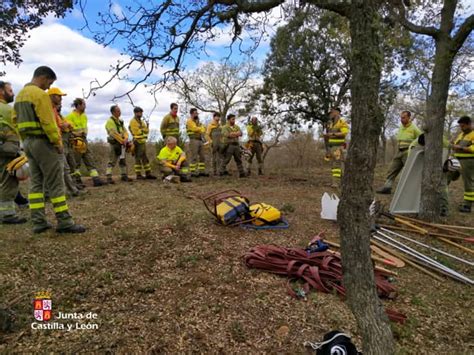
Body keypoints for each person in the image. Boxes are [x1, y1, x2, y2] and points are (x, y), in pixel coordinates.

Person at [13, 66, 85, 234]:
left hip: (28, 143)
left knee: (36, 183)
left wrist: (24, 141)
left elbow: (15, 120)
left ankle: (38, 221)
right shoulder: (40, 95)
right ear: (43, 77)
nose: (48, 87)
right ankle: (64, 222)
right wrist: (57, 142)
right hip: (44, 143)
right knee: (56, 183)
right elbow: (48, 122)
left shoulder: (20, 95)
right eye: (49, 83)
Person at [0, 80, 27, 224]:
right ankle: (8, 215)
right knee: (8, 183)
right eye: (9, 91)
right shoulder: (6, 109)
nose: (13, 93)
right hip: (7, 151)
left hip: (6, 149)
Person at [47, 87, 82, 197]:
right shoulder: (48, 110)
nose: (61, 99)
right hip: (54, 143)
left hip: (58, 142)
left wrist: (67, 126)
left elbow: (63, 125)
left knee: (64, 168)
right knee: (61, 169)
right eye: (59, 96)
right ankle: (63, 192)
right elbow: (60, 126)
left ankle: (71, 190)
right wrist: (58, 142)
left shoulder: (54, 111)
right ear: (52, 96)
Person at [377, 110, 421, 194]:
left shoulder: (414, 128)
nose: (401, 119)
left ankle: (409, 190)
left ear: (409, 117)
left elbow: (421, 139)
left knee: (408, 171)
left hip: (408, 152)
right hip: (399, 151)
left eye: (404, 118)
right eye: (401, 118)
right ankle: (387, 187)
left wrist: (413, 150)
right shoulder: (401, 127)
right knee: (392, 169)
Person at [65, 98, 105, 187]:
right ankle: (77, 182)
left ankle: (96, 180)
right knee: (76, 163)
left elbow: (85, 128)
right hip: (75, 142)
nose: (85, 106)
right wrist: (77, 133)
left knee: (89, 159)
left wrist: (84, 134)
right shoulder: (69, 116)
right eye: (84, 104)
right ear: (78, 105)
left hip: (84, 140)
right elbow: (68, 131)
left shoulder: (84, 116)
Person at [451, 116, 473, 213]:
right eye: (460, 126)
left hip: (468, 161)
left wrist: (460, 148)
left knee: (468, 183)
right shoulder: (461, 135)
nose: (461, 128)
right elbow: (455, 145)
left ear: (469, 124)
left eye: (463, 126)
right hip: (456, 160)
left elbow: (472, 149)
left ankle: (467, 205)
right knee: (446, 176)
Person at [323, 107, 349, 187]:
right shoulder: (330, 124)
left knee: (337, 165)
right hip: (332, 147)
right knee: (334, 165)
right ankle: (340, 182)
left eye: (332, 112)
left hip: (339, 147)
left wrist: (333, 134)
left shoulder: (342, 122)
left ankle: (336, 183)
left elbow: (344, 133)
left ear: (337, 113)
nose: (330, 114)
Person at [128, 107, 156, 180]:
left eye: (141, 112)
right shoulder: (133, 121)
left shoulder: (142, 122)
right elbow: (137, 132)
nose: (140, 114)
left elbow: (146, 131)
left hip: (143, 142)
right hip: (137, 142)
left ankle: (148, 173)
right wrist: (143, 129)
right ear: (135, 113)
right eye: (139, 112)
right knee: (138, 158)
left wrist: (146, 127)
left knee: (145, 158)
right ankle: (138, 175)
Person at [105, 105, 130, 183]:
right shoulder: (110, 121)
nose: (120, 112)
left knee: (123, 160)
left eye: (120, 110)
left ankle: (124, 175)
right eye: (118, 111)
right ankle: (108, 177)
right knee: (112, 161)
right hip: (115, 144)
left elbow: (125, 131)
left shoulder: (120, 121)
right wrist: (123, 140)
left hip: (122, 144)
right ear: (113, 112)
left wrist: (125, 138)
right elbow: (114, 133)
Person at [219, 114, 246, 178]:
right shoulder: (225, 127)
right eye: (232, 119)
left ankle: (242, 173)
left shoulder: (236, 126)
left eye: (234, 119)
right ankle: (221, 172)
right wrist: (236, 134)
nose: (234, 120)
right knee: (226, 159)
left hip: (236, 145)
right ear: (228, 120)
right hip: (229, 145)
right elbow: (227, 135)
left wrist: (233, 133)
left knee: (238, 159)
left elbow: (241, 133)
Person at [186, 108, 208, 177]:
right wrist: (201, 129)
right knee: (194, 156)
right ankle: (193, 172)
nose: (196, 114)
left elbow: (204, 128)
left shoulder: (198, 122)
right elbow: (194, 128)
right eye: (195, 113)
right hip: (193, 140)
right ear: (191, 114)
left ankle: (202, 171)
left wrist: (201, 128)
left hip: (200, 140)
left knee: (202, 156)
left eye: (197, 113)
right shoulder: (189, 121)